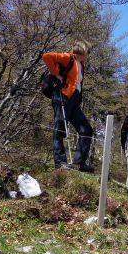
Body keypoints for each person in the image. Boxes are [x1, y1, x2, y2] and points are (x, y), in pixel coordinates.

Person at [42, 40, 94, 172]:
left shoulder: (81, 65)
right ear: (80, 52)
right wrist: (56, 74)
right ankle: (60, 163)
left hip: (74, 101)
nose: (87, 56)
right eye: (86, 53)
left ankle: (79, 163)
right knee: (60, 129)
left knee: (86, 130)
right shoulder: (67, 58)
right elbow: (47, 56)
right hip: (62, 96)